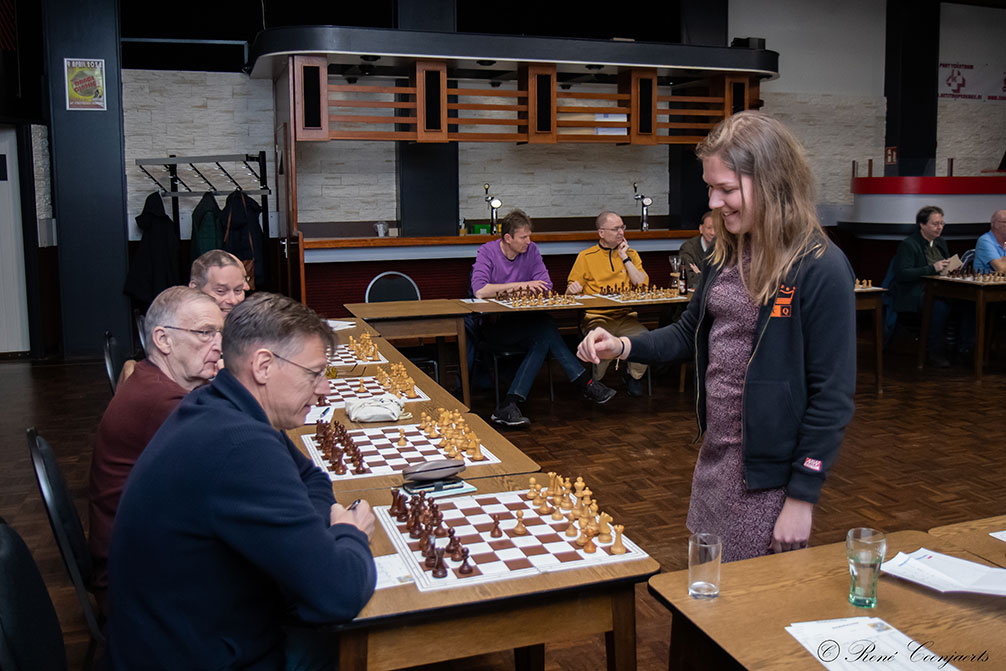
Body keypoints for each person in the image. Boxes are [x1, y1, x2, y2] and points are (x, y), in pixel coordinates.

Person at [577, 111, 856, 562]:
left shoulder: (820, 266)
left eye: (726, 189)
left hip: (770, 478)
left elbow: (833, 395)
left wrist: (803, 497)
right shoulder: (726, 252)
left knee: (747, 616)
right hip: (716, 462)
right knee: (706, 594)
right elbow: (691, 332)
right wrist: (623, 345)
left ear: (772, 182)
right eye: (711, 187)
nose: (714, 201)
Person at [106, 293, 376, 670]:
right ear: (264, 365)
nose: (324, 388)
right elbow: (340, 592)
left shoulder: (218, 403)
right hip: (197, 655)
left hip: (187, 632)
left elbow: (311, 477)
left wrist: (311, 533)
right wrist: (348, 532)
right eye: (314, 373)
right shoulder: (240, 444)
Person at [88, 286, 223, 611]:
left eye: (221, 333)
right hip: (143, 589)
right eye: (205, 333)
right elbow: (241, 468)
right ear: (163, 340)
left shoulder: (154, 379)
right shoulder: (161, 402)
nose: (219, 347)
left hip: (147, 556)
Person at [471, 209, 616, 427]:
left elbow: (546, 286)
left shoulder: (531, 251)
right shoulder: (487, 252)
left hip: (526, 322)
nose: (528, 242)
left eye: (529, 236)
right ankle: (585, 383)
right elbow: (480, 290)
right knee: (545, 329)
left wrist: (522, 288)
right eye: (523, 237)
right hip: (495, 326)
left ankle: (509, 404)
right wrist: (523, 286)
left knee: (544, 333)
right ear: (508, 238)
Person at [566, 211, 650, 396]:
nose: (621, 232)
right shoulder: (586, 257)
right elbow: (570, 292)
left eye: (622, 227)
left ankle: (633, 377)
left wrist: (625, 258)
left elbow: (642, 284)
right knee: (602, 344)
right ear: (601, 233)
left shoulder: (632, 254)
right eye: (616, 228)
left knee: (645, 340)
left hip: (625, 317)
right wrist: (572, 289)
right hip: (596, 318)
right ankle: (595, 382)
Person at [891, 205, 961, 367]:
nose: (939, 228)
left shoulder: (940, 242)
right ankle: (933, 351)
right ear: (922, 225)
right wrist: (931, 268)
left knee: (964, 303)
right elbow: (902, 274)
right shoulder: (909, 244)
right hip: (914, 292)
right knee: (939, 307)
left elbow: (943, 267)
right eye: (935, 224)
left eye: (942, 224)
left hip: (939, 288)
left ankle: (962, 348)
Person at [190, 248, 248, 315]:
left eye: (238, 290)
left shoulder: (251, 323)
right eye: (220, 291)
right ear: (195, 289)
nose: (233, 301)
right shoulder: (180, 323)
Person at [678, 210, 718, 291]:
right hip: (695, 299)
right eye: (709, 228)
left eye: (717, 228)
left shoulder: (727, 247)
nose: (713, 232)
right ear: (701, 229)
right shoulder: (688, 248)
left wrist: (699, 274)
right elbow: (690, 281)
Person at [974, 209, 1006, 273]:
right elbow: (1001, 269)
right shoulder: (985, 240)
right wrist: (1001, 261)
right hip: (985, 281)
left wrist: (1003, 259)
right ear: (995, 224)